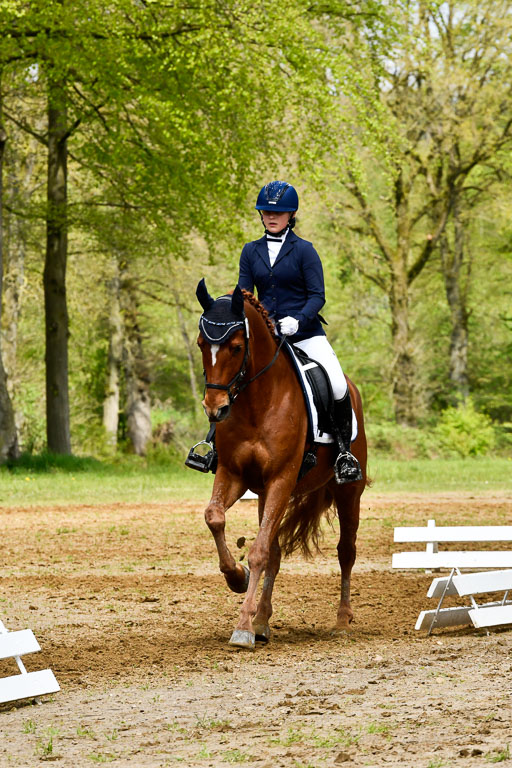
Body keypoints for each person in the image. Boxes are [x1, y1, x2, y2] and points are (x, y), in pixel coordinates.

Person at [186, 180, 361, 484]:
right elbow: (244, 295)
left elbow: (317, 295)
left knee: (336, 384)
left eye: (277, 212)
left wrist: (299, 320)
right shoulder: (250, 251)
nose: (271, 216)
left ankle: (344, 453)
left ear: (291, 214)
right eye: (266, 212)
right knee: (232, 377)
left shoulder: (304, 250)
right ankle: (213, 446)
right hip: (268, 337)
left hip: (305, 333)